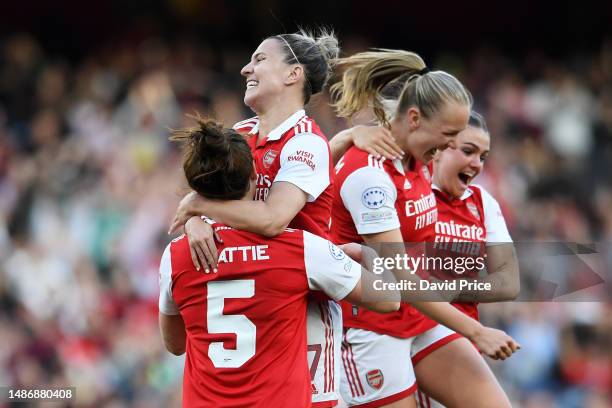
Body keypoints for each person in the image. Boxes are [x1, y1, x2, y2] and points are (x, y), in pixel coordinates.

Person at [159, 118, 400, 407]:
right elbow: (389, 298)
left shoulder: (176, 256)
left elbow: (175, 344)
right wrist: (365, 254)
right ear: (253, 178)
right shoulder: (299, 248)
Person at [167, 29, 346, 407]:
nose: (247, 67)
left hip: (301, 313)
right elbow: (196, 192)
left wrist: (198, 209)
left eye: (260, 59)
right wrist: (194, 219)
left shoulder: (306, 142)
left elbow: (273, 220)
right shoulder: (240, 133)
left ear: (293, 74)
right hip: (246, 306)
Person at [329, 49, 518, 408]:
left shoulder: (416, 152)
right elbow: (399, 276)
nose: (450, 146)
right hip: (371, 329)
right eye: (448, 135)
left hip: (419, 317)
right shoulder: (370, 177)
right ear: (414, 118)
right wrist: (476, 330)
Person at [411, 111, 519, 408]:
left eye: (483, 156)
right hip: (410, 332)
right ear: (440, 147)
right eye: (468, 151)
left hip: (463, 339)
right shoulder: (412, 192)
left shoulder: (482, 201)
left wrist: (444, 289)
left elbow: (508, 282)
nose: (477, 164)